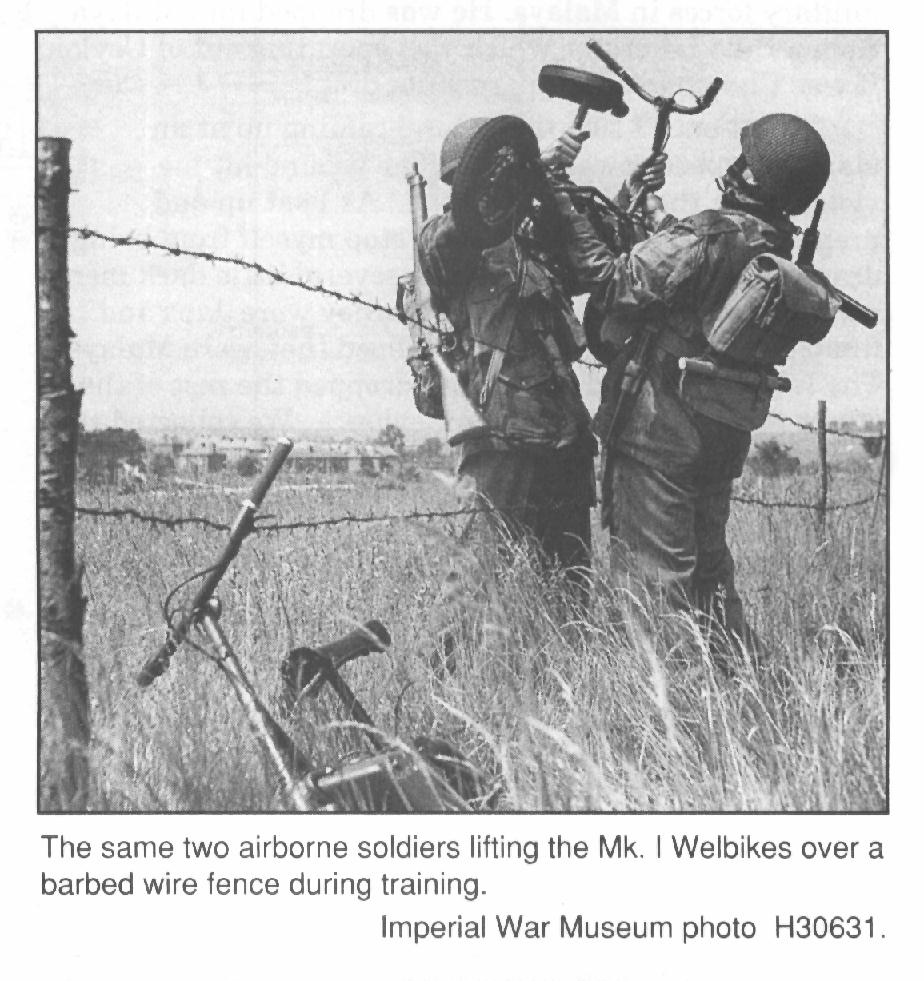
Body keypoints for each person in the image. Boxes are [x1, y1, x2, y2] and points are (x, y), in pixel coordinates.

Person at [556, 113, 832, 659]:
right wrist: (646, 206)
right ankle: (743, 694)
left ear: (752, 178)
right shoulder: (769, 246)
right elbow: (691, 265)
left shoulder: (710, 232)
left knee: (657, 588)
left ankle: (673, 717)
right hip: (720, 433)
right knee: (709, 576)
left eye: (744, 161)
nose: (733, 167)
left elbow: (615, 281)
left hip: (658, 431)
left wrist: (562, 202)